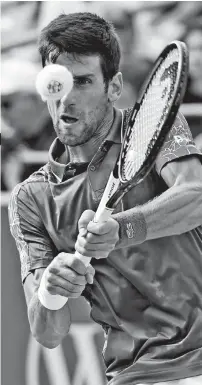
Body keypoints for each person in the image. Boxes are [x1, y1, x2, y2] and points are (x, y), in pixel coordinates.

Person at [8, 12, 202, 385]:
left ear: (113, 87)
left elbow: (195, 196)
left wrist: (123, 229)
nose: (69, 99)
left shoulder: (150, 127)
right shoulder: (31, 196)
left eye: (83, 82)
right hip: (132, 375)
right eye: (59, 83)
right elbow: (48, 333)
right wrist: (52, 289)